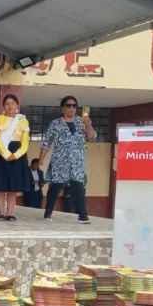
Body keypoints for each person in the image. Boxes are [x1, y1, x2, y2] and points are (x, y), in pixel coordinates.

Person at [40, 95, 96, 223]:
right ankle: (48, 212)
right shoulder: (55, 124)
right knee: (55, 187)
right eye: (68, 106)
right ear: (62, 108)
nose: (71, 108)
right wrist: (41, 159)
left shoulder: (81, 122)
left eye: (74, 106)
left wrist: (89, 126)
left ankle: (83, 215)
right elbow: (47, 143)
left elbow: (92, 137)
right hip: (59, 162)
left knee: (78, 187)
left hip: (77, 162)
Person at [0, 94, 30, 222]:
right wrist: (5, 153)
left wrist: (16, 154)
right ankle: (1, 212)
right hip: (0, 155)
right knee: (0, 186)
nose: (10, 106)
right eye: (7, 103)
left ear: (17, 105)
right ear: (3, 106)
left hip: (17, 155)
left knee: (13, 187)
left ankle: (10, 213)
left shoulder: (23, 121)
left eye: (12, 103)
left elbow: (25, 141)